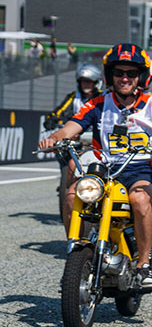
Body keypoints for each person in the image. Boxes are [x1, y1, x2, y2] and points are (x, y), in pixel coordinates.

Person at [39, 43, 152, 289]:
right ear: (109, 75)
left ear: (141, 77)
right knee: (72, 196)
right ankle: (76, 253)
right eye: (119, 72)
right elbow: (72, 126)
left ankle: (144, 265)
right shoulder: (97, 103)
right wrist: (55, 138)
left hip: (140, 170)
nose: (124, 78)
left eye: (131, 73)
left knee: (139, 199)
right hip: (104, 168)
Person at [44, 62, 103, 232]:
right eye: (83, 81)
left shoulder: (102, 98)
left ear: (96, 83)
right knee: (65, 158)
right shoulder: (72, 97)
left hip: (96, 142)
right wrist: (52, 119)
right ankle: (67, 187)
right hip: (77, 140)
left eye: (89, 82)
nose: (86, 84)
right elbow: (59, 111)